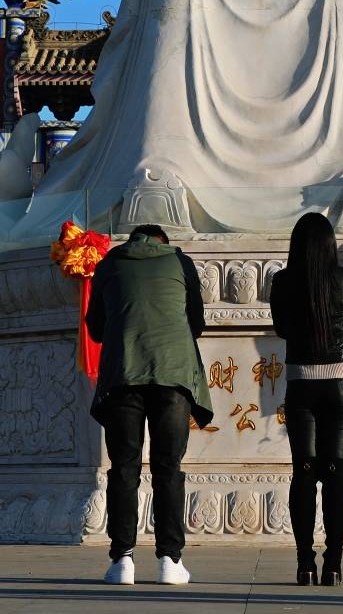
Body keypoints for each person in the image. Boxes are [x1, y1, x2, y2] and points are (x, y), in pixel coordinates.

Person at [85, 223, 214, 586]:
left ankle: (121, 560)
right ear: (163, 242)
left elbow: (95, 327)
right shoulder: (179, 261)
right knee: (167, 467)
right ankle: (170, 560)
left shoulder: (110, 263)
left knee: (124, 467)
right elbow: (196, 323)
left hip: (123, 375)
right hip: (173, 376)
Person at [269, 212, 343, 586]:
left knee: (304, 472)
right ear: (330, 245)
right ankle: (334, 565)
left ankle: (304, 562)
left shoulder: (283, 281)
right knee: (336, 472)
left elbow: (281, 328)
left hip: (302, 383)